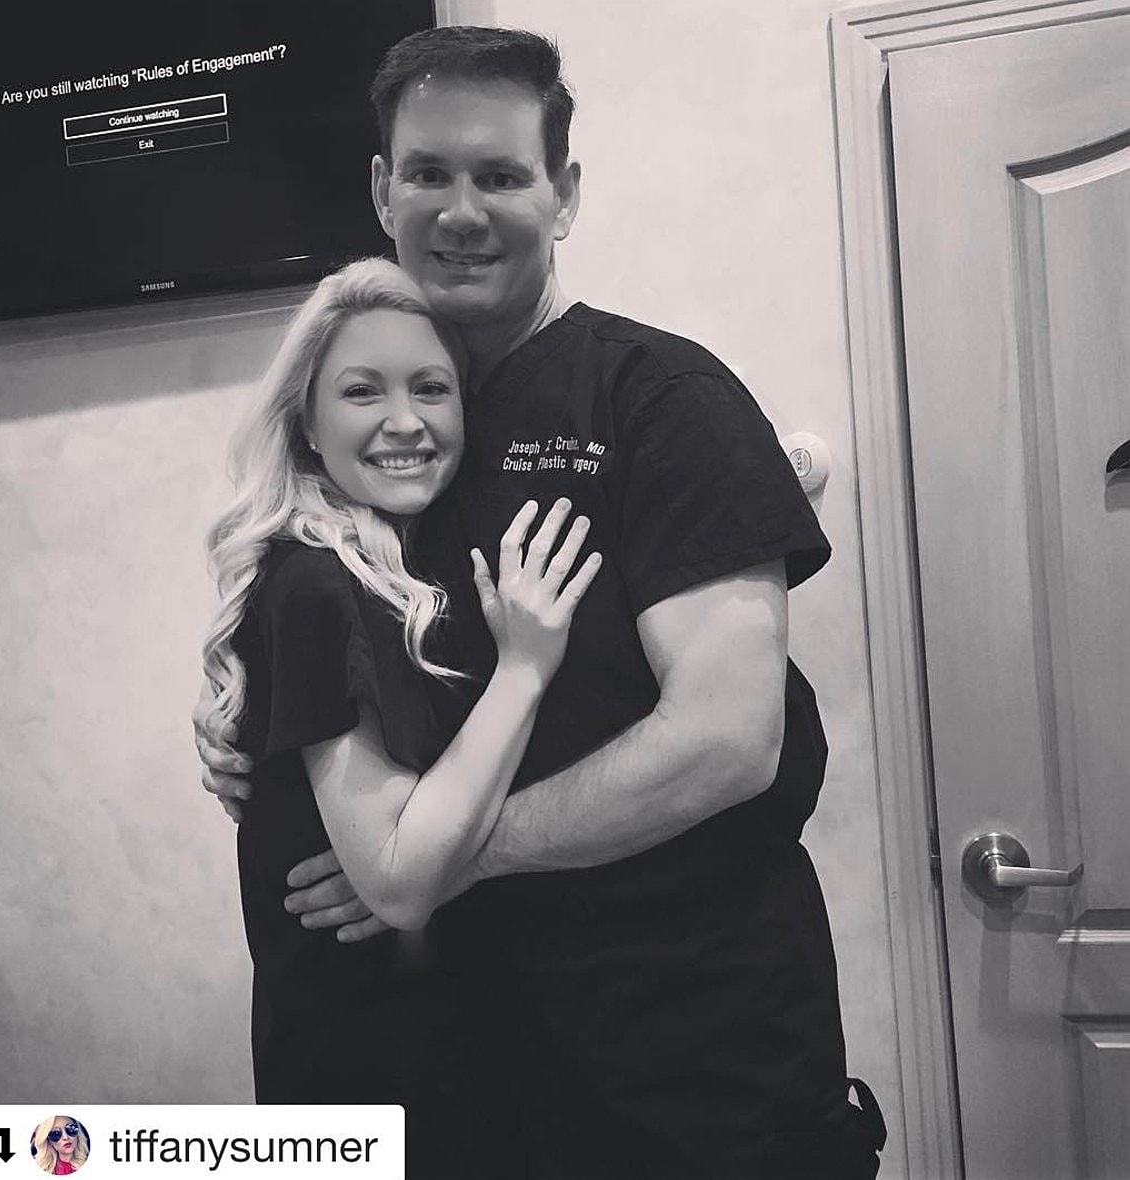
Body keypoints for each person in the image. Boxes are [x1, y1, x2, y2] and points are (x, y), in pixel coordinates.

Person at [197, 26, 886, 1179]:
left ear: (563, 194)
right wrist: (250, 728)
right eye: (428, 172)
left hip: (696, 1062)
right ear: (381, 189)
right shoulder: (403, 433)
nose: (461, 210)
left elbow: (726, 739)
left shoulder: (661, 397)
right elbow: (341, 638)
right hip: (481, 1066)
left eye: (501, 175)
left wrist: (433, 861)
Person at [200, 256, 599, 1178]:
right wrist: (527, 670)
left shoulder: (396, 573)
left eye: (432, 387)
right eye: (361, 391)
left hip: (440, 1060)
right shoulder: (317, 586)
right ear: (305, 420)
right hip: (375, 1082)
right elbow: (398, 881)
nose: (406, 421)